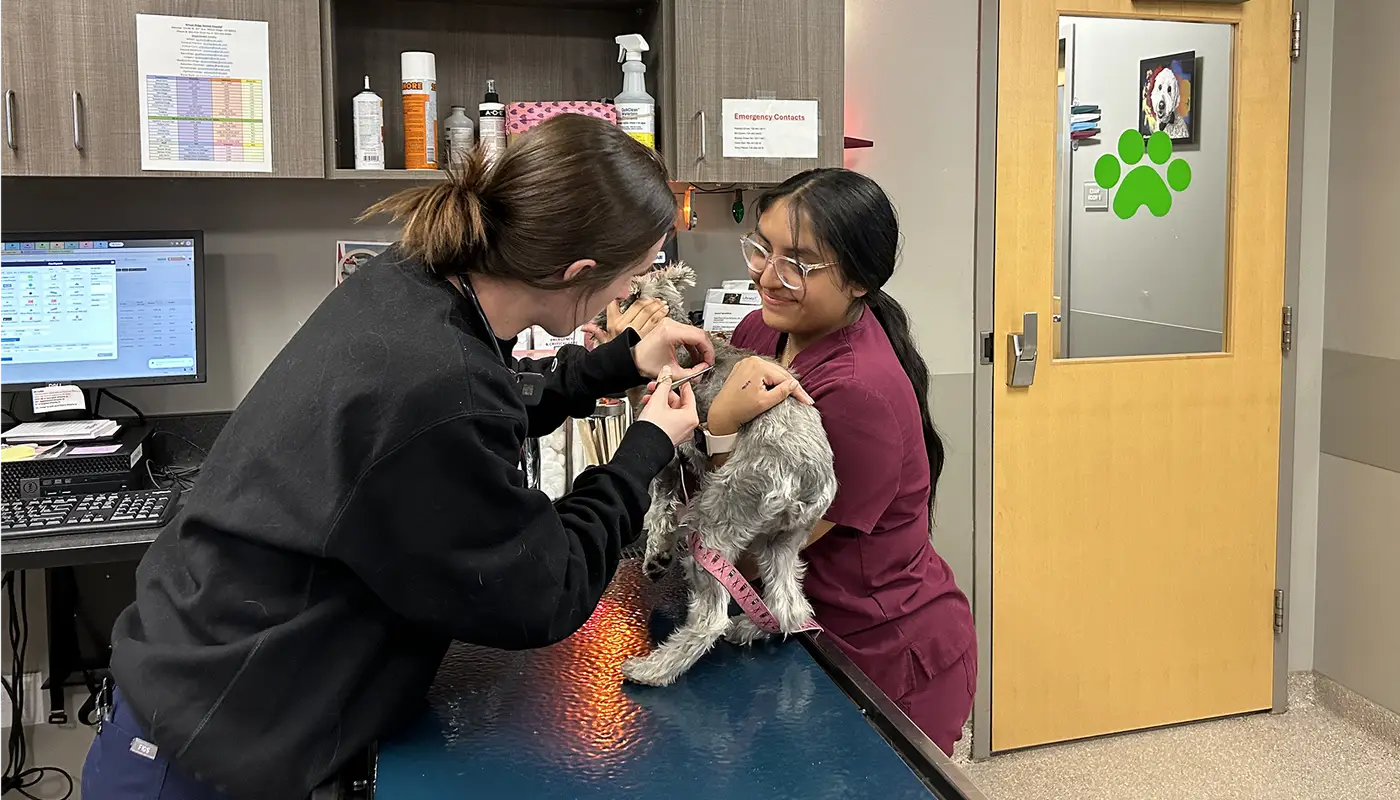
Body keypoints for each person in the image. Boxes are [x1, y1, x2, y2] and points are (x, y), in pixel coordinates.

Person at [82, 114, 716, 800]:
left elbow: (483, 394)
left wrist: (609, 365)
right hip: (203, 745)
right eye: (635, 275)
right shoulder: (437, 379)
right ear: (579, 271)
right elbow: (544, 590)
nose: (633, 295)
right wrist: (646, 448)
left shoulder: (420, 278)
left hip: (196, 677)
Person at [703, 168, 977, 754]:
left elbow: (747, 555)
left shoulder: (857, 396)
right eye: (763, 248)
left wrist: (717, 430)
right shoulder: (763, 328)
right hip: (800, 632)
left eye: (797, 262)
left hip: (877, 654)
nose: (767, 278)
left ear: (858, 279)